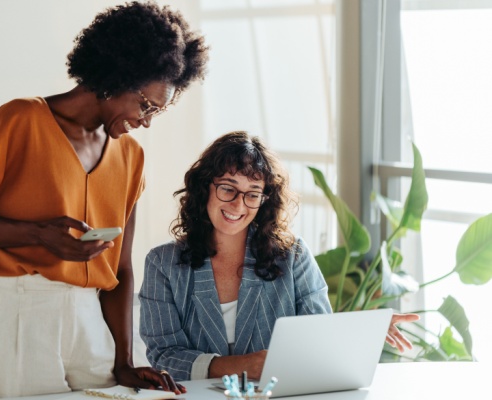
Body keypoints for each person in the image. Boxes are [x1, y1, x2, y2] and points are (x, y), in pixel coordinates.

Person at [0, 2, 209, 398]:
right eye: (146, 105)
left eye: (157, 112)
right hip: (16, 312)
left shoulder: (131, 157)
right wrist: (37, 235)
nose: (146, 120)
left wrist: (124, 362)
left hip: (89, 321)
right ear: (117, 76)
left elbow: (120, 269)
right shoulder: (21, 120)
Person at [138, 131, 419, 381]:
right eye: (227, 188)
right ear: (205, 188)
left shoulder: (293, 256)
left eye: (253, 194)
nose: (238, 204)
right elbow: (165, 356)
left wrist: (363, 329)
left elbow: (317, 336)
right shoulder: (162, 264)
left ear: (265, 200)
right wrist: (240, 365)